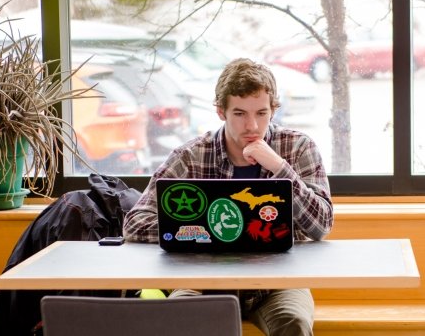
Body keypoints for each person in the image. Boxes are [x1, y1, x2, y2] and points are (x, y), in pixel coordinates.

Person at [123, 58, 333, 336]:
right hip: (202, 279)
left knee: (293, 323)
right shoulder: (191, 155)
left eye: (261, 113)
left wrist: (281, 169)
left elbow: (322, 226)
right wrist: (199, 232)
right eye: (239, 114)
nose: (252, 126)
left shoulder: (298, 147)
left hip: (278, 282)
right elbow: (135, 223)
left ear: (273, 110)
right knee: (175, 320)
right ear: (221, 111)